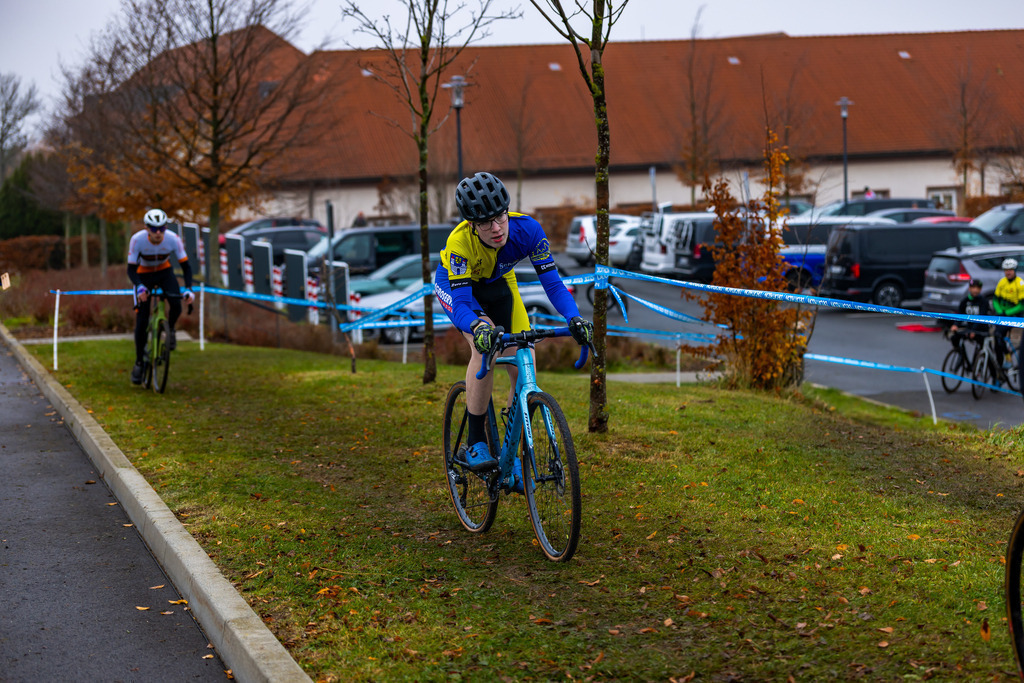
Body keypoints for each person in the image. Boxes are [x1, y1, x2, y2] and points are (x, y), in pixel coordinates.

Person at [435, 171, 593, 484]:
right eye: (485, 223)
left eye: (500, 218)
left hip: (500, 284)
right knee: (486, 349)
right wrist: (479, 329)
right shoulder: (459, 244)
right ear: (471, 225)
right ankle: (477, 441)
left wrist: (573, 317)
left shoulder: (528, 230)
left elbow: (553, 284)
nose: (496, 228)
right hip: (459, 291)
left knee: (526, 363)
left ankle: (510, 452)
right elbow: (464, 305)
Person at [127, 209, 195, 385]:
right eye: (153, 228)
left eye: (161, 228)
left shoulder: (173, 239)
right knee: (141, 320)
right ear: (146, 228)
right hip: (143, 275)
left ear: (166, 227)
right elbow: (131, 269)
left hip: (165, 272)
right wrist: (140, 286)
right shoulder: (137, 240)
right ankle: (139, 362)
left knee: (176, 304)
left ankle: (170, 329)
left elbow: (186, 267)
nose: (158, 233)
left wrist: (188, 289)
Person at [990, 258, 1024, 373]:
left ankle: (1008, 357)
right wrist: (999, 311)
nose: (1008, 272)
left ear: (1014, 270)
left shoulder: (1020, 283)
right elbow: (995, 299)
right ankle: (998, 367)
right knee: (996, 340)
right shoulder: (1002, 282)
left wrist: (1007, 313)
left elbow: (1022, 305)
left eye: (1010, 270)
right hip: (1002, 315)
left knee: (998, 334)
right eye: (1006, 270)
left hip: (1014, 316)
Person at [948, 278, 990, 350]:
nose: (975, 290)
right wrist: (955, 325)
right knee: (955, 337)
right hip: (969, 328)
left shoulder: (983, 301)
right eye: (973, 287)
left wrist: (974, 330)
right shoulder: (965, 301)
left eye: (978, 288)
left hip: (981, 330)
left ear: (980, 289)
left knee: (982, 346)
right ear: (969, 288)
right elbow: (960, 315)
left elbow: (981, 317)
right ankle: (960, 354)